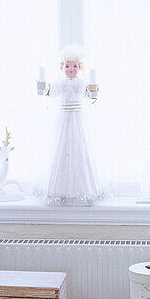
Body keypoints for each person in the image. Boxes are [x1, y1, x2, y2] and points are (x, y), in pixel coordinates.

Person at [36, 45, 106, 205]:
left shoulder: (80, 83)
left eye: (74, 66)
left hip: (77, 118)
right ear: (63, 67)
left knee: (79, 146)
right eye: (68, 66)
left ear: (79, 67)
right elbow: (51, 90)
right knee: (63, 146)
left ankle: (83, 189)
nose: (71, 69)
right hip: (64, 119)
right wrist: (43, 86)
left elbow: (89, 93)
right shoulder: (61, 83)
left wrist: (93, 89)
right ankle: (60, 189)